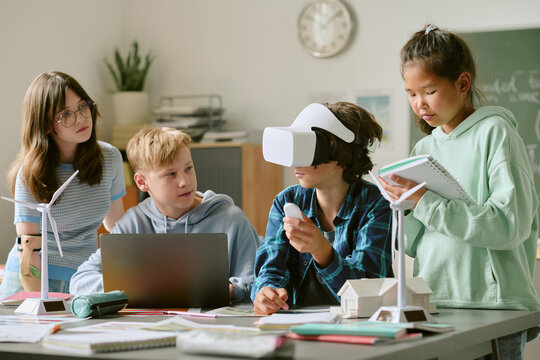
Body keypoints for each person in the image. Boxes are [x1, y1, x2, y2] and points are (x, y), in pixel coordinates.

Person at [381, 24, 540, 359]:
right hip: (435, 302)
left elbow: (510, 225)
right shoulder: (424, 147)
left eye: (429, 91)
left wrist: (425, 202)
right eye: (411, 94)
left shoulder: (496, 133)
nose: (419, 104)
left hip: (495, 308)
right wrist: (402, 208)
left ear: (462, 83)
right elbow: (411, 243)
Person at [69, 127, 260, 303]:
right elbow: (79, 282)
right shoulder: (131, 225)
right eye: (171, 174)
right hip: (148, 328)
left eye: (188, 168)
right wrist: (135, 287)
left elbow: (257, 284)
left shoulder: (232, 220)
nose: (184, 182)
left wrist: (232, 290)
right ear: (142, 182)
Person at [252, 102, 393, 315]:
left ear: (341, 159)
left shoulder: (376, 204)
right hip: (296, 323)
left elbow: (370, 292)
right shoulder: (287, 201)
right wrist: (265, 292)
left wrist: (322, 251)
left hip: (358, 325)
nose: (295, 164)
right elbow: (269, 268)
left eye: (307, 151)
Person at [0, 71, 126, 299]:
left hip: (84, 278)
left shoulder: (110, 158)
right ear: (46, 126)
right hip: (34, 281)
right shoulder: (30, 173)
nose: (81, 119)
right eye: (66, 114)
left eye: (83, 107)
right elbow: (29, 249)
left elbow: (116, 225)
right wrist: (41, 304)